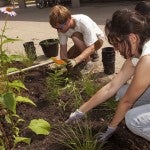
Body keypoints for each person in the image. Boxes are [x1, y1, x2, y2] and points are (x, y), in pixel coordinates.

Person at [65, 8, 150, 142]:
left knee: (133, 120)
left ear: (133, 38)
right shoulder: (137, 53)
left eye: (117, 43)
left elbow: (127, 102)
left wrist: (111, 128)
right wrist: (80, 111)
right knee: (121, 92)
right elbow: (111, 86)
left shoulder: (147, 59)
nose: (116, 49)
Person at [49, 5, 104, 72]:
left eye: (60, 28)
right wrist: (62, 64)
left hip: (97, 41)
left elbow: (92, 46)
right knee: (68, 59)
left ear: (68, 20)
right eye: (56, 28)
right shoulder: (61, 28)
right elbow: (63, 48)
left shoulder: (83, 22)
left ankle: (89, 62)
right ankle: (91, 54)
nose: (59, 31)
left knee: (75, 37)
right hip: (83, 41)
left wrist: (76, 60)